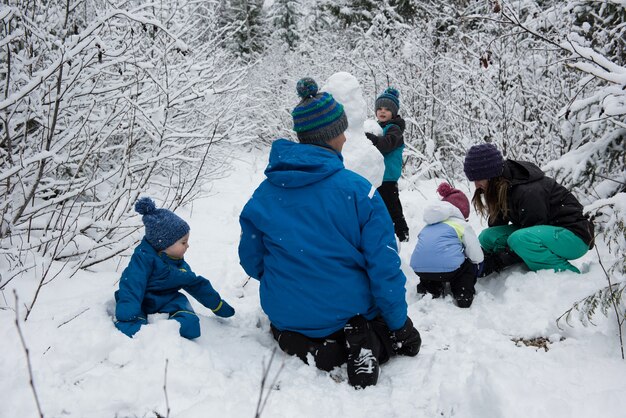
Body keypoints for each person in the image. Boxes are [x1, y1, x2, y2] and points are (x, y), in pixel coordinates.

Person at [238, 78, 421, 389]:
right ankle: (367, 342)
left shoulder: (264, 195)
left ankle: (307, 344)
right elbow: (384, 267)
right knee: (401, 340)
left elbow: (251, 260)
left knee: (291, 330)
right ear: (333, 135)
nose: (346, 140)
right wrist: (399, 324)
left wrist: (290, 280)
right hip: (344, 310)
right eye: (342, 132)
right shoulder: (358, 191)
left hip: (286, 313)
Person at [463, 143, 594, 275]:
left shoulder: (528, 190)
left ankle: (569, 276)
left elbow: (532, 228)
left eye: (479, 179)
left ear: (492, 174)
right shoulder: (501, 187)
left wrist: (499, 260)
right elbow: (496, 228)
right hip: (545, 232)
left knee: (520, 240)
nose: (476, 185)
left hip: (575, 237)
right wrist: (482, 258)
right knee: (487, 236)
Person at [114, 197, 235, 339]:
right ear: (164, 245)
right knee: (130, 327)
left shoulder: (179, 264)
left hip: (169, 300)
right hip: (142, 301)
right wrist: (128, 313)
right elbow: (132, 285)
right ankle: (143, 332)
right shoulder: (143, 259)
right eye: (183, 242)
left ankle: (168, 331)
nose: (187, 246)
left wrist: (217, 305)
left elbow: (196, 284)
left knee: (191, 323)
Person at [410, 183, 484, 308]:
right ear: (462, 211)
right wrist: (478, 264)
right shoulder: (461, 224)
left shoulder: (429, 224)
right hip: (449, 270)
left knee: (432, 268)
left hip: (420, 269)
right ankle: (463, 294)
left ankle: (430, 289)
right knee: (466, 267)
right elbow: (475, 253)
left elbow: (426, 248)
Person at [365, 87, 410, 242]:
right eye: (379, 108)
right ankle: (383, 232)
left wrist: (372, 139)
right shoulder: (378, 127)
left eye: (387, 109)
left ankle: (402, 233)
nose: (382, 112)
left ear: (394, 112)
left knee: (392, 206)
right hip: (377, 175)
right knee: (378, 206)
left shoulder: (394, 129)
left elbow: (386, 144)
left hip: (388, 176)